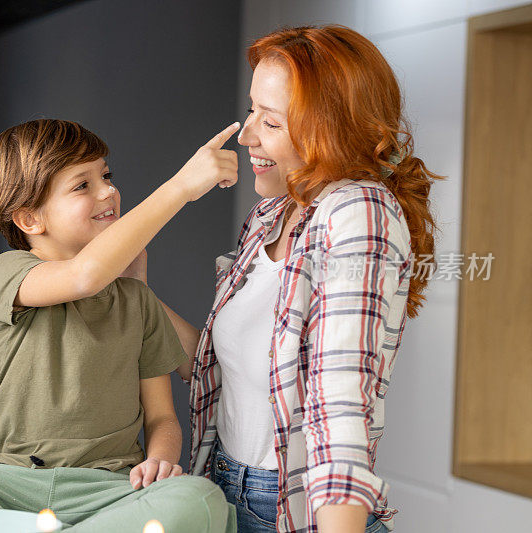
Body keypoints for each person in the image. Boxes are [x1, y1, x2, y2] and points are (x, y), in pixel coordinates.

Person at [0, 118, 244, 532]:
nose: (108, 190)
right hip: (6, 485)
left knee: (199, 500)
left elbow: (164, 415)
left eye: (106, 175)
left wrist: (161, 460)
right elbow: (83, 276)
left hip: (105, 492)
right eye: (83, 185)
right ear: (29, 220)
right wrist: (180, 187)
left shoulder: (137, 301)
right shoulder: (8, 273)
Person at [150, 25, 444, 533]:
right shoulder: (273, 214)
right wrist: (132, 292)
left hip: (292, 508)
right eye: (251, 111)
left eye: (272, 122)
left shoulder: (359, 214)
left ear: (330, 128)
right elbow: (224, 368)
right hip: (224, 488)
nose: (245, 135)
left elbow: (339, 402)